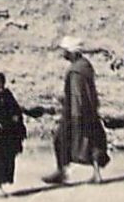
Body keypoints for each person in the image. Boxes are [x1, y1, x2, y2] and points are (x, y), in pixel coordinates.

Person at [43, 36, 110, 185]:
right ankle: (97, 174)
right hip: (91, 110)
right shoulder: (86, 65)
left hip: (75, 112)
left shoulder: (75, 71)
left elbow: (76, 94)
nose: (64, 54)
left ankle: (62, 172)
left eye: (65, 51)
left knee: (60, 140)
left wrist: (75, 116)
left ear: (71, 52)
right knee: (93, 141)